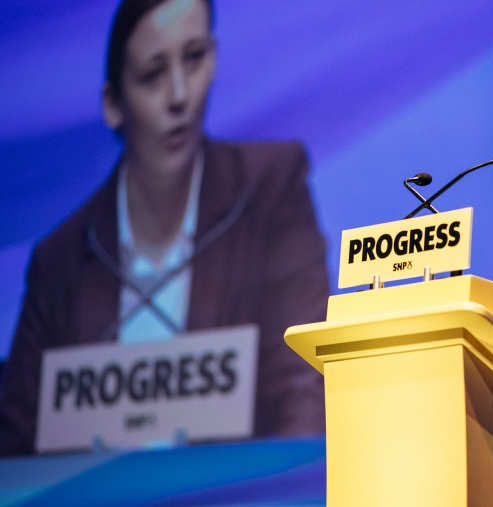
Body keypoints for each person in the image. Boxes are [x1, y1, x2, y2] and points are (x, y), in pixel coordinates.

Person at [0, 0, 328, 456]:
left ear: (213, 59)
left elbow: (302, 391)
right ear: (113, 104)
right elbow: (15, 458)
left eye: (193, 58)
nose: (179, 95)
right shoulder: (59, 261)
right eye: (153, 75)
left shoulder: (270, 191)